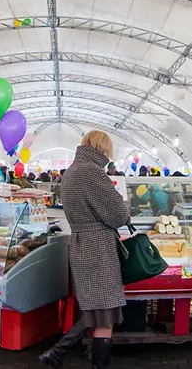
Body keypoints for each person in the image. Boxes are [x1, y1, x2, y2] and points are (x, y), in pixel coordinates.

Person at [40, 131, 130, 369]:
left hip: (81, 243)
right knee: (104, 313)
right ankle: (62, 354)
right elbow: (118, 215)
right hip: (98, 247)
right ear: (103, 149)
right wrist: (124, 205)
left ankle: (56, 353)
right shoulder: (92, 172)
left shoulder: (71, 171)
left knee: (98, 310)